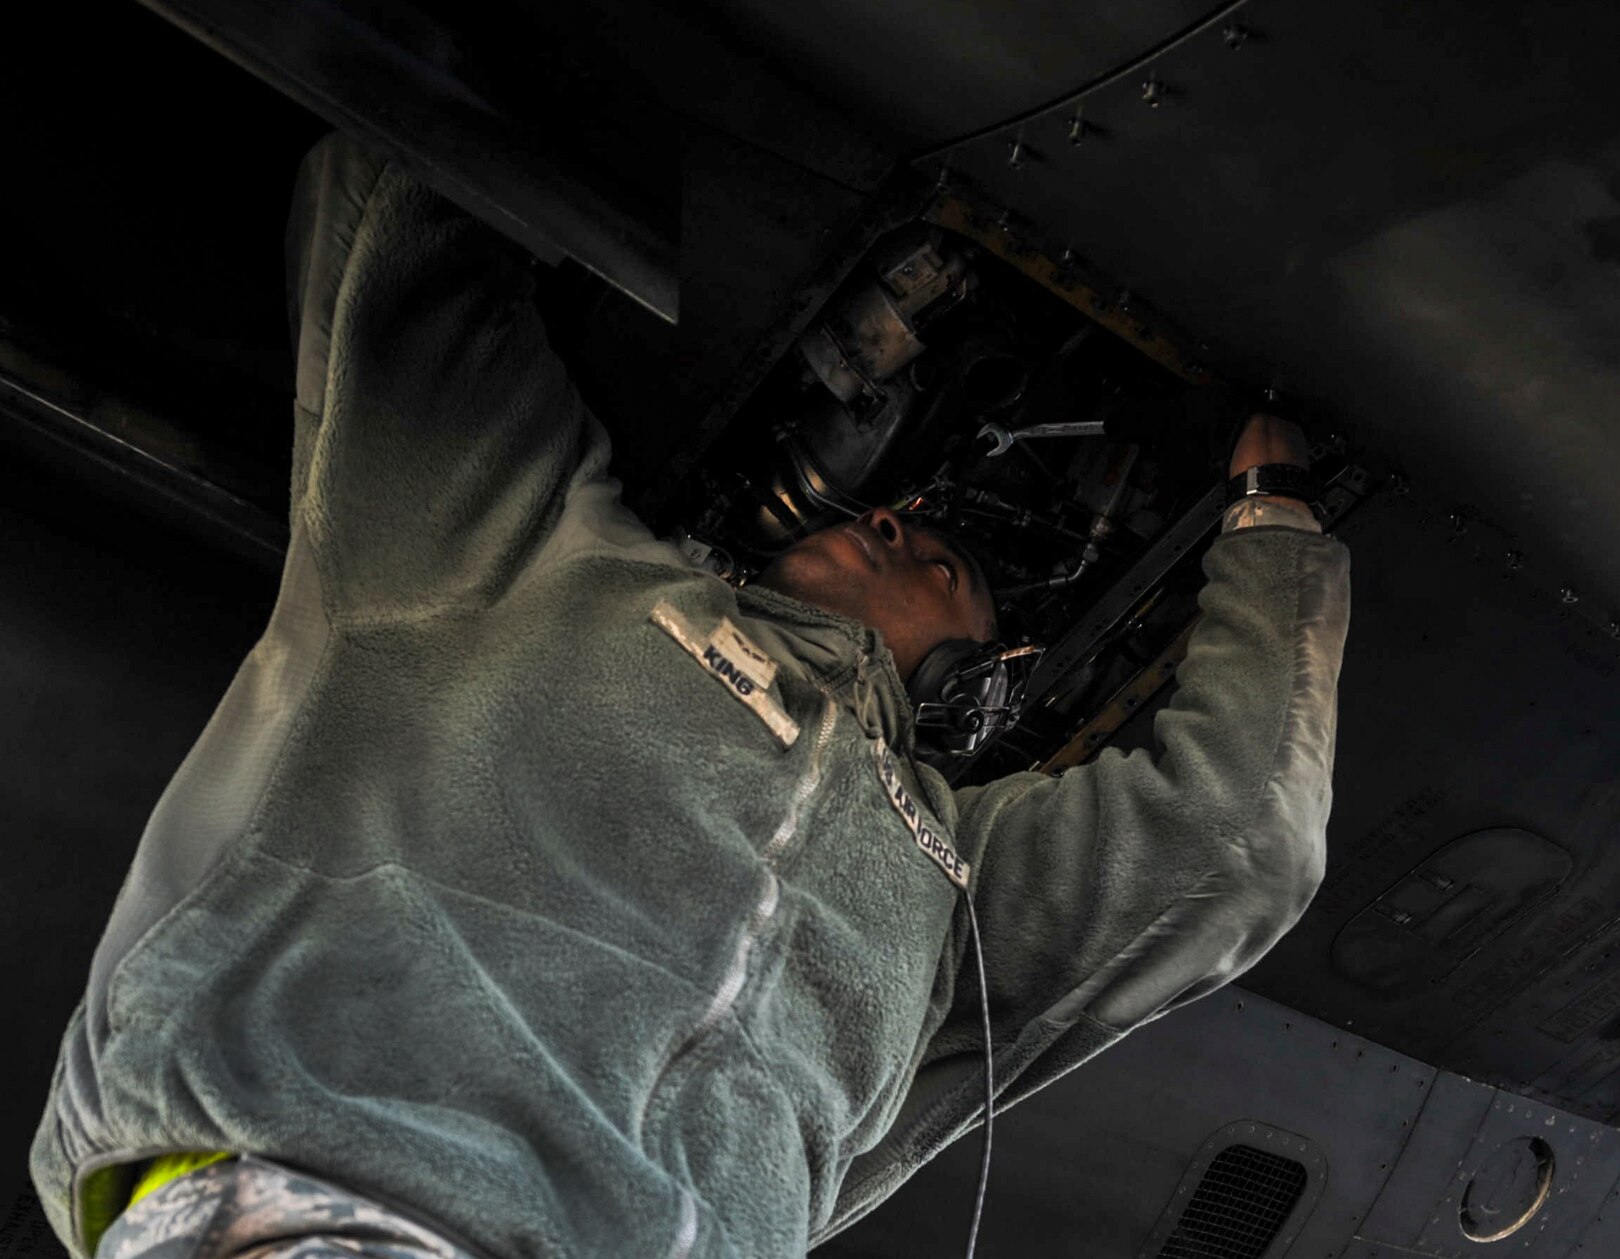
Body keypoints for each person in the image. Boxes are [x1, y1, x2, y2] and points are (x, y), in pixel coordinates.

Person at [31, 134, 1351, 1259]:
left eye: (940, 562)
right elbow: (408, 242)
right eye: (888, 518)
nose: (894, 525)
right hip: (319, 1183)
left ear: (973, 675)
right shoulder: (537, 559)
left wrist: (1275, 524)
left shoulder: (945, 872)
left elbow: (1233, 849)